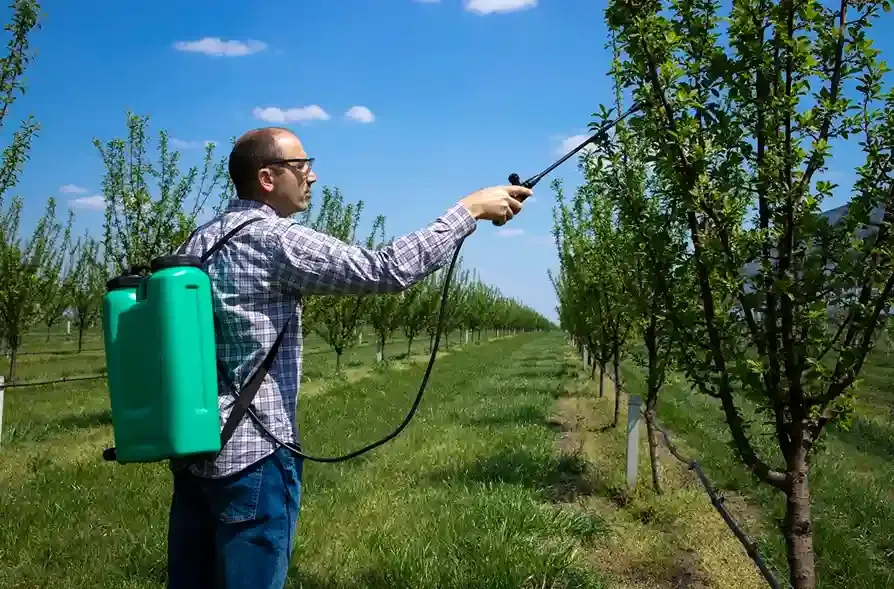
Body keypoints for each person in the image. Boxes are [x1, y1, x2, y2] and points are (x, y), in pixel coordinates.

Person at [164, 126, 532, 589]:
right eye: (302, 166)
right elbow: (386, 270)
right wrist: (468, 211)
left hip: (195, 448)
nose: (312, 177)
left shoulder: (198, 242)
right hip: (255, 457)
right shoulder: (274, 239)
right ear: (267, 177)